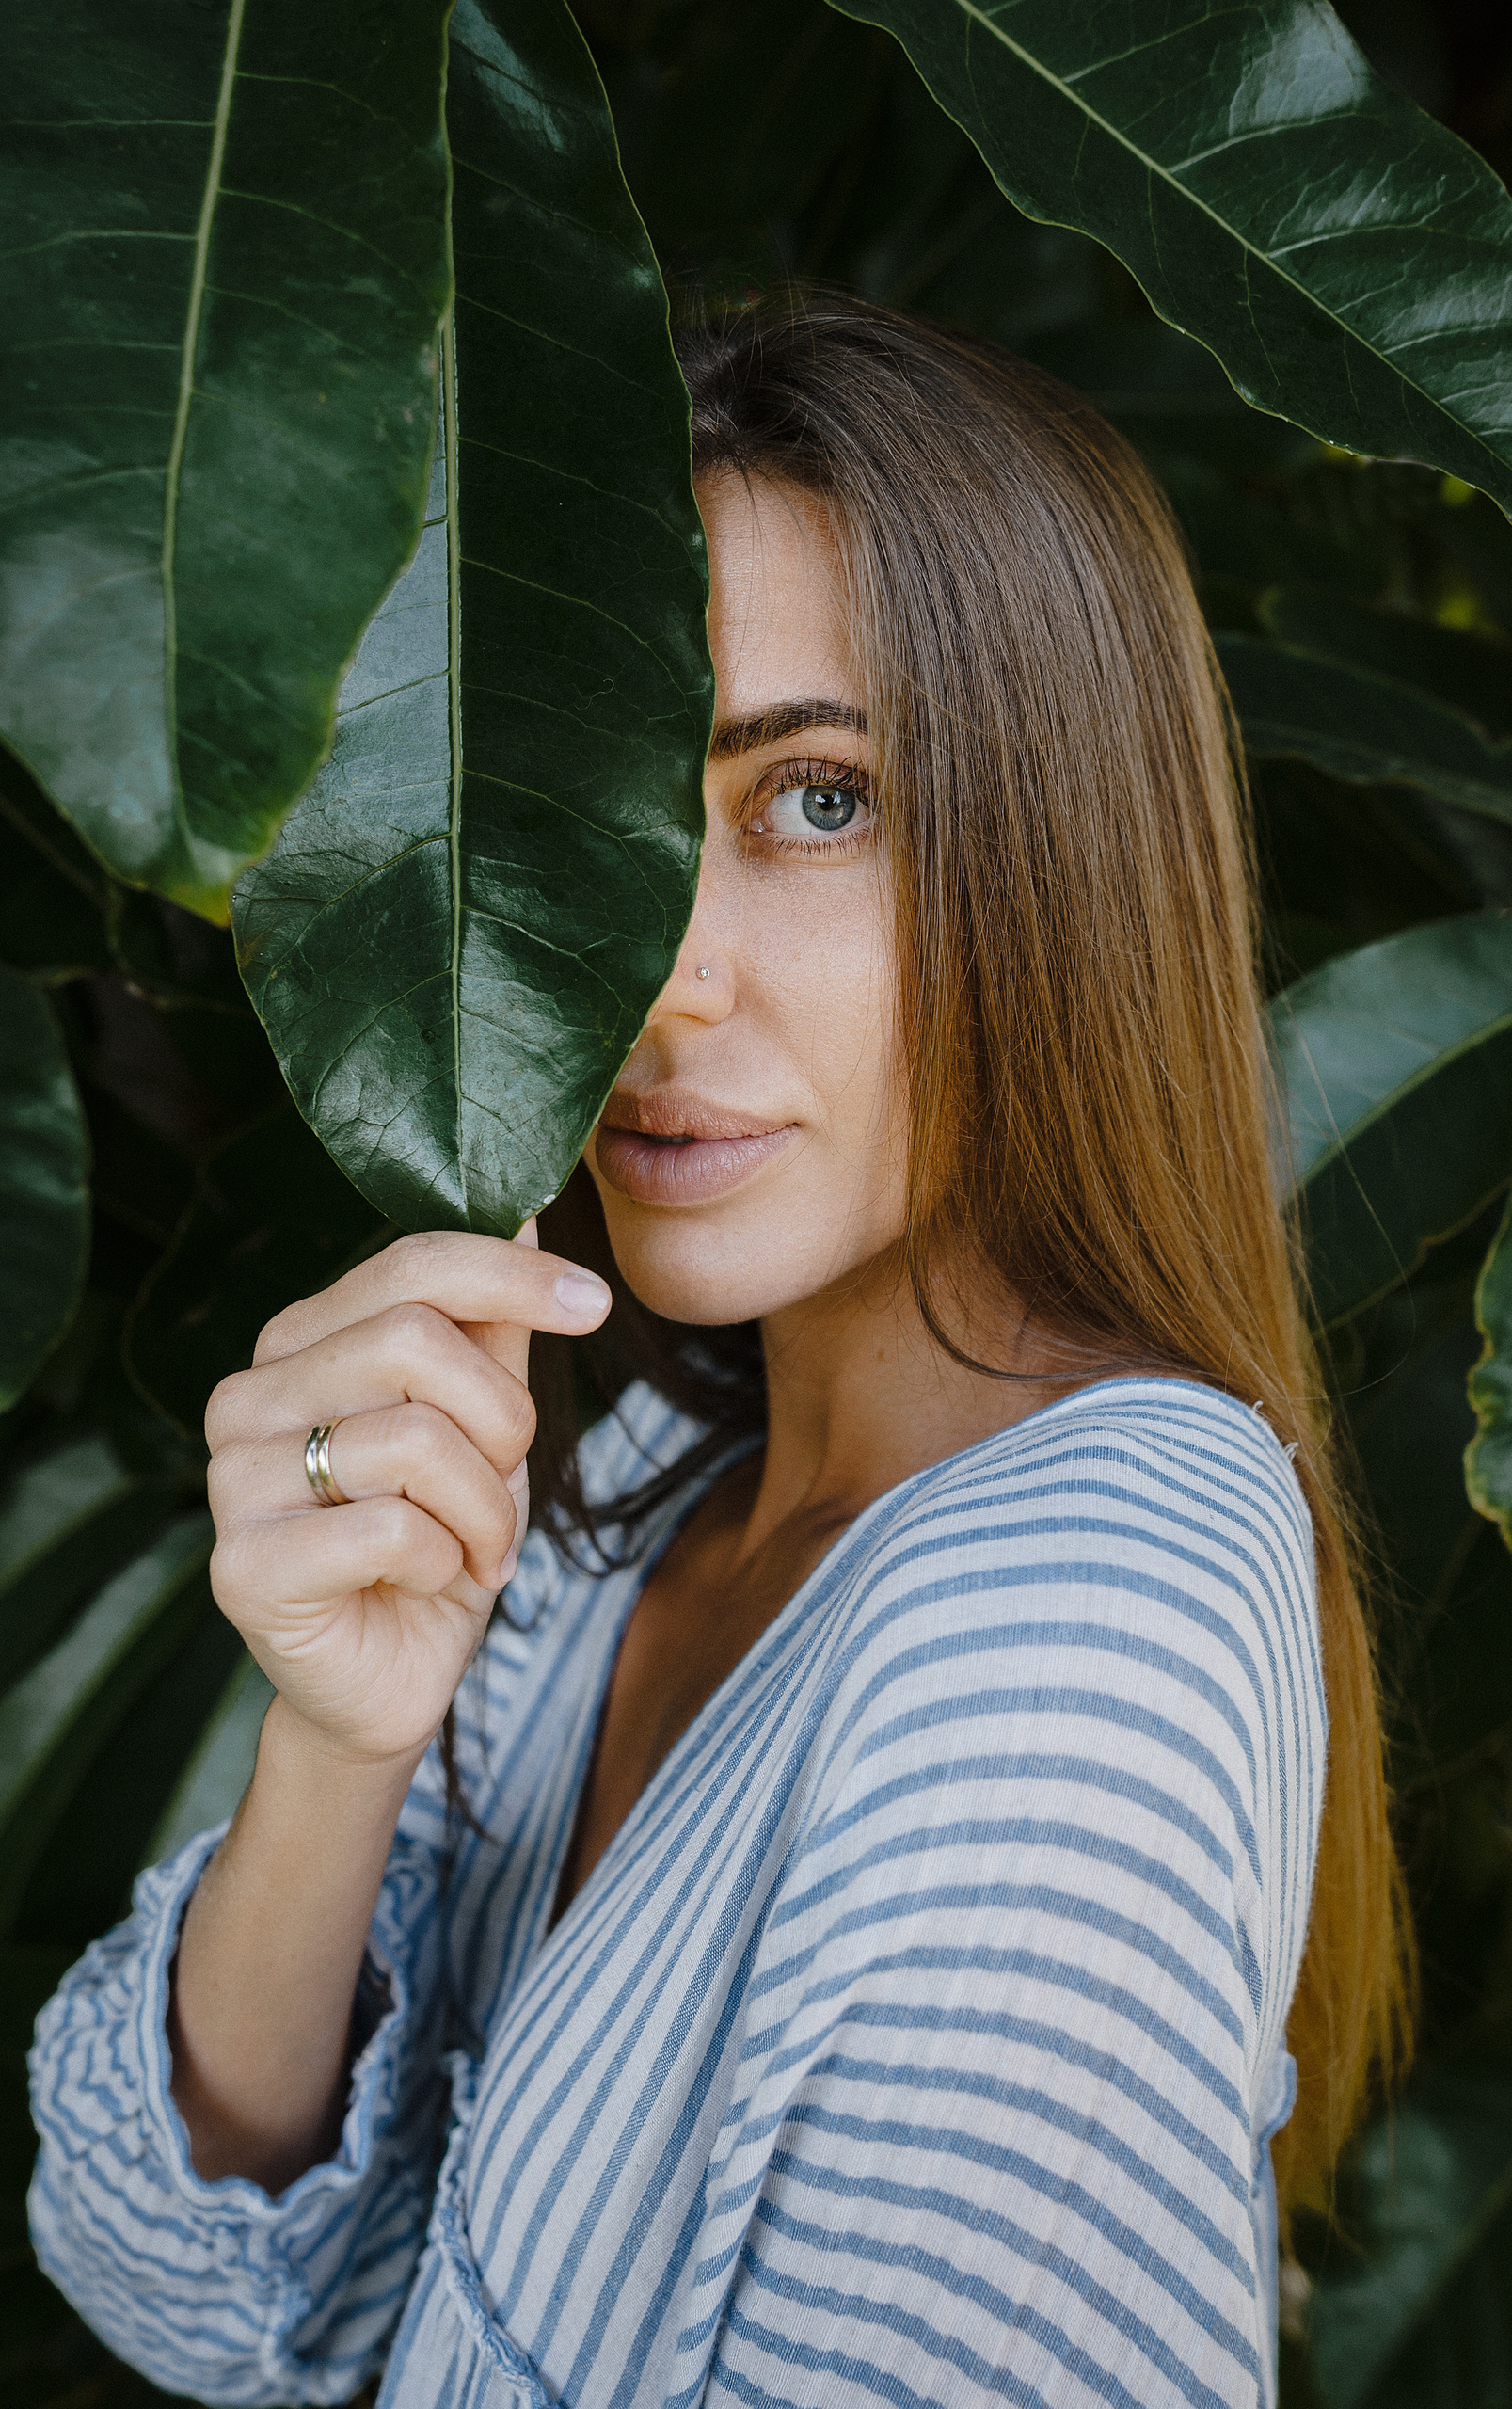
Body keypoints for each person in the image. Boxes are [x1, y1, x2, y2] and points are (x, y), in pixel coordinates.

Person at [28, 294, 1409, 2409]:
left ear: (1071, 849)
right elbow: (197, 2287)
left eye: (820, 800)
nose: (657, 974)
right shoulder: (630, 1502)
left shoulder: (1077, 1612)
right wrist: (338, 1732)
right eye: (604, 805)